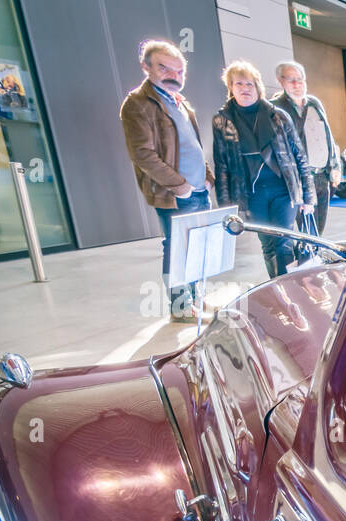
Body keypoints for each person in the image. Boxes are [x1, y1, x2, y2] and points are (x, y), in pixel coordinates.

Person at [119, 39, 213, 321]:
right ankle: (181, 308)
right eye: (165, 68)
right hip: (177, 195)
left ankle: (194, 300)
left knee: (195, 248)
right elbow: (143, 154)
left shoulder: (179, 103)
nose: (174, 75)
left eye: (179, 70)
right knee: (177, 249)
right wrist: (179, 185)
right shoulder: (138, 104)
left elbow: (193, 145)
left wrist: (206, 177)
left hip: (199, 190)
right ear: (146, 67)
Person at [211, 61, 315, 278]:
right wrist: (226, 207)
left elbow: (299, 157)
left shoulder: (278, 115)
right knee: (267, 244)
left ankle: (287, 289)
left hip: (283, 190)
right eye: (239, 83)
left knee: (284, 241)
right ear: (231, 87)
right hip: (251, 194)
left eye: (249, 83)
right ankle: (274, 287)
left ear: (258, 87)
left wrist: (308, 196)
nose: (245, 88)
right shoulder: (222, 120)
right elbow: (222, 165)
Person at [271, 61, 340, 235]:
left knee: (319, 229)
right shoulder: (275, 108)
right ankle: (305, 261)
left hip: (322, 176)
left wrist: (335, 166)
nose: (297, 85)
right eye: (291, 80)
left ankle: (311, 260)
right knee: (308, 233)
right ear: (281, 81)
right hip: (300, 180)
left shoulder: (314, 103)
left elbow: (328, 136)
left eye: (300, 80)